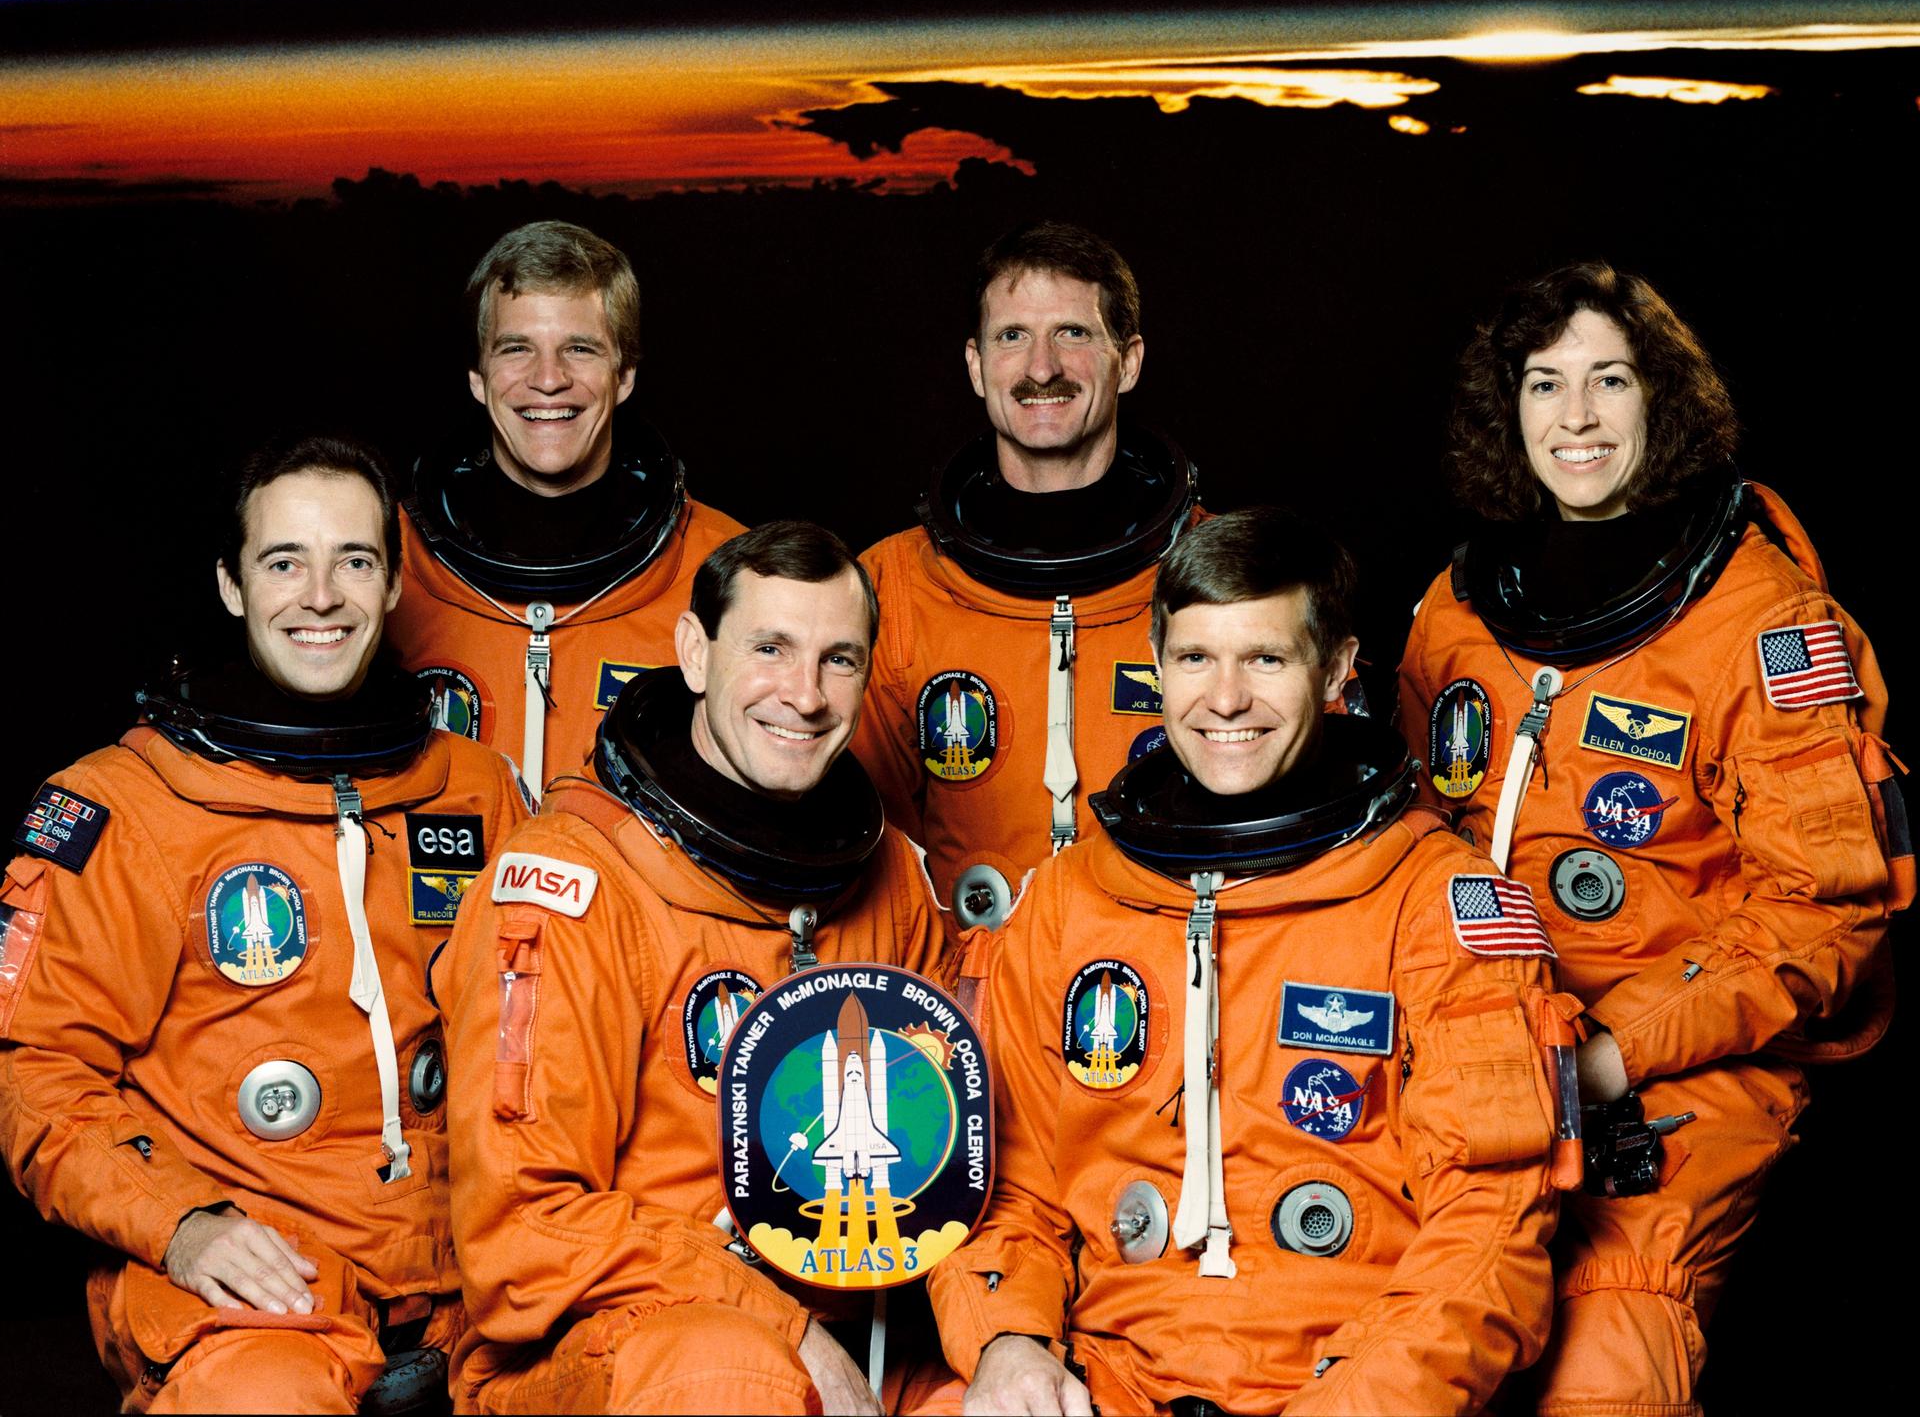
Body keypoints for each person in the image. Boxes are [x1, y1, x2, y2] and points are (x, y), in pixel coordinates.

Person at [1395, 262, 1912, 1415]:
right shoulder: (1460, 609)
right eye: (1544, 385)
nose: (1574, 418)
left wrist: (1612, 1057)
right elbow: (1401, 845)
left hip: (1673, 1064)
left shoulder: (1766, 626)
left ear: (1660, 400)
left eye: (1608, 381)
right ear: (1507, 410)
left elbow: (1826, 917)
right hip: (1475, 1042)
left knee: (1598, 1346)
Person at [931, 508, 1572, 1415]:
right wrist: (1008, 1344)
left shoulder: (1438, 901)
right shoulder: (1070, 900)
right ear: (1156, 663)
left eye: (1265, 660)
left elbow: (1489, 1224)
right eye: (1195, 659)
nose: (1225, 700)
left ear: (1339, 668)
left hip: (1348, 1379)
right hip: (1108, 1377)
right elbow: (1008, 1189)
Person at [0, 433, 530, 1413]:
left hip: (472, 1288)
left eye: (354, 562)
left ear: (393, 584)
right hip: (250, 1296)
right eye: (284, 562)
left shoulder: (475, 789)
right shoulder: (128, 811)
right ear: (233, 585)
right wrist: (186, 1224)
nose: (320, 595)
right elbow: (36, 1076)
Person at [436, 520, 952, 1415]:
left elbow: (962, 1158)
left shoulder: (895, 880)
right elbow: (521, 1230)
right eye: (771, 648)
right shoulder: (572, 886)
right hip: (630, 1345)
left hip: (859, 1326)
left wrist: (1012, 1344)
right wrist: (782, 1330)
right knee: (734, 1379)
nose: (806, 694)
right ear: (694, 653)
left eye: (839, 660)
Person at [853, 221, 1202, 931]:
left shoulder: (1229, 579)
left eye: (1073, 333)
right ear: (977, 366)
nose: (1042, 367)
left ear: (1128, 361)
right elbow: (845, 831)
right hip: (955, 998)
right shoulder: (891, 585)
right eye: (1013, 337)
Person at [385, 219, 744, 797]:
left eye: (579, 349)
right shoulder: (382, 563)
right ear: (478, 378)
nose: (548, 380)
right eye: (516, 349)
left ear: (624, 375)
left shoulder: (725, 570)